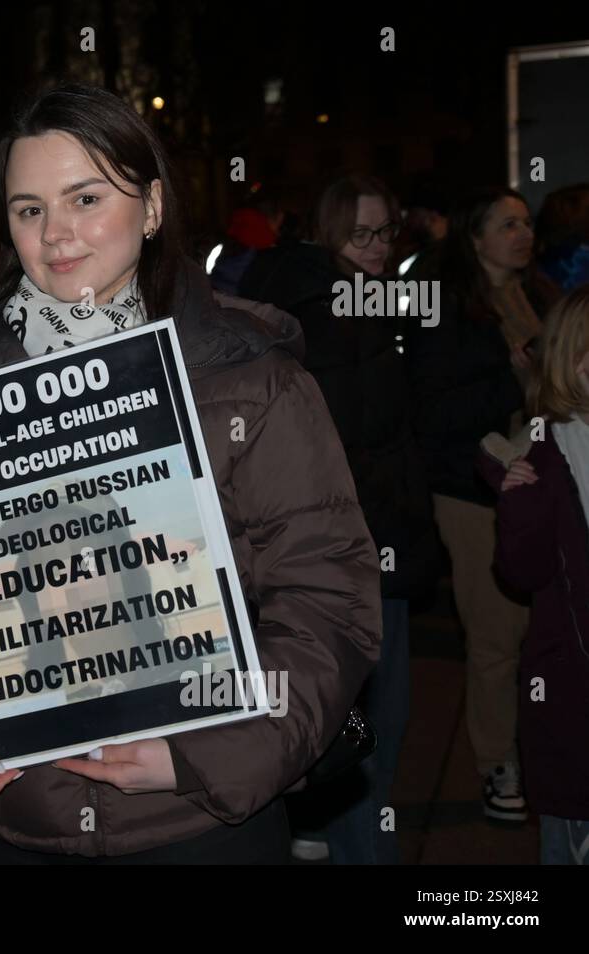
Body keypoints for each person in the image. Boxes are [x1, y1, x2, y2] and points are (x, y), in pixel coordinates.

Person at [0, 84, 381, 863]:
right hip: (18, 821)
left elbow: (327, 605)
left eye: (86, 198)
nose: (57, 234)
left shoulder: (250, 382)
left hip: (200, 823)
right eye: (29, 208)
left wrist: (201, 755)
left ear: (150, 209)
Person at [240, 174, 437, 863]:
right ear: (329, 235)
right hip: (358, 547)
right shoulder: (335, 311)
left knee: (361, 725)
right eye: (362, 234)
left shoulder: (355, 299)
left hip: (371, 540)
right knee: (367, 729)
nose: (379, 248)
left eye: (387, 231)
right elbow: (350, 448)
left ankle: (323, 834)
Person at [406, 186, 545, 823]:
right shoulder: (445, 306)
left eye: (526, 222)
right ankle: (497, 764)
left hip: (538, 484)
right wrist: (514, 378)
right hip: (471, 491)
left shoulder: (536, 295)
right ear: (476, 237)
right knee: (495, 637)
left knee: (541, 633)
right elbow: (434, 412)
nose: (523, 233)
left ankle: (541, 745)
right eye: (507, 224)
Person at [479, 285, 589, 863]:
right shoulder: (549, 450)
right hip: (572, 687)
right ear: (574, 360)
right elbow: (521, 572)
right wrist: (519, 506)